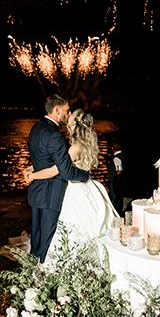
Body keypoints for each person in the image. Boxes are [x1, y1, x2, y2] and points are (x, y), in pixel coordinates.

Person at [25, 108, 118, 258]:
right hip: (90, 187)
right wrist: (31, 167)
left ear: (74, 125)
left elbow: (55, 170)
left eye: (70, 120)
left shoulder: (75, 148)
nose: (67, 123)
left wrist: (33, 175)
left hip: (74, 190)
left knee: (70, 226)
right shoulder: (88, 145)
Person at [27, 95, 90, 263]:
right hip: (50, 194)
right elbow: (67, 172)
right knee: (47, 245)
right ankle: (40, 281)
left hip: (36, 193)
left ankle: (30, 276)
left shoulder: (36, 128)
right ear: (57, 110)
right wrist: (85, 175)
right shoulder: (55, 136)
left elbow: (41, 159)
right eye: (67, 110)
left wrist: (31, 172)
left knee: (36, 242)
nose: (68, 114)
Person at [108, 137, 126, 215]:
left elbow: (119, 170)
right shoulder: (122, 155)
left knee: (114, 197)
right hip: (120, 180)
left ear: (112, 148)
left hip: (116, 180)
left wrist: (115, 183)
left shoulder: (116, 158)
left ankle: (116, 212)